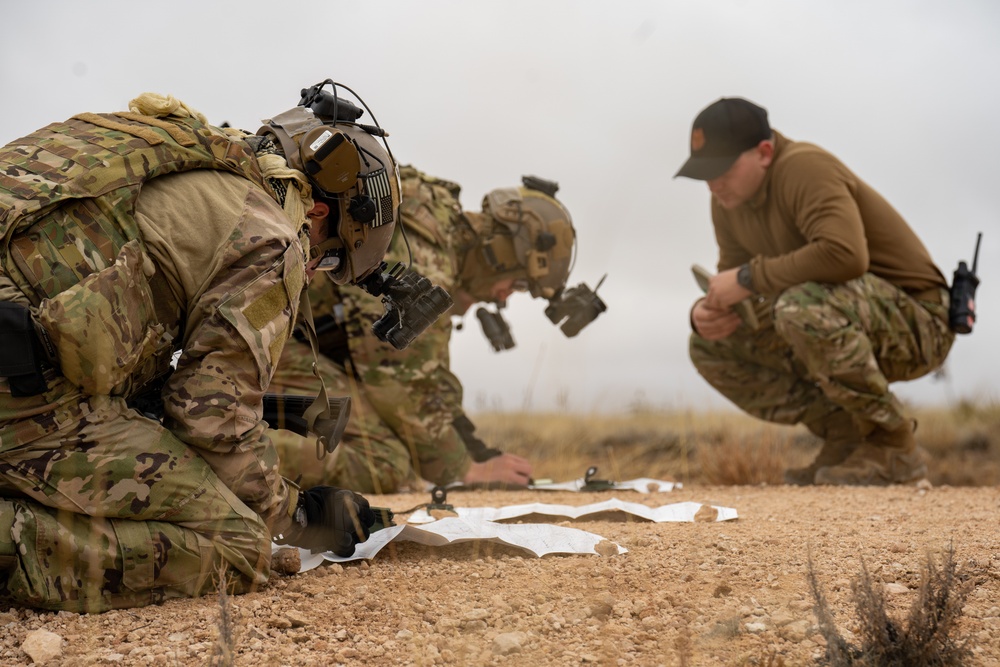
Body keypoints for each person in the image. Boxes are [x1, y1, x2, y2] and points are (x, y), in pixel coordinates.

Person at [0, 80, 399, 612]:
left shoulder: (163, 147)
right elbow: (212, 419)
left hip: (22, 351)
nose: (315, 267)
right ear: (320, 215)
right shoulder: (269, 236)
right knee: (235, 544)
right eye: (327, 259)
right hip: (20, 388)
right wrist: (301, 515)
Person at [269, 166, 601, 493]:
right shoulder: (431, 263)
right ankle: (228, 448)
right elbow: (395, 379)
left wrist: (473, 450)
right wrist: (464, 469)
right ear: (499, 254)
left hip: (281, 333)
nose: (504, 296)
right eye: (516, 283)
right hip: (272, 336)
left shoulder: (436, 230)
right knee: (385, 464)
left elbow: (430, 376)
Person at [675, 97, 954, 486]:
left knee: (799, 308)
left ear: (765, 152)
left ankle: (892, 446)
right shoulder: (727, 203)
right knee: (709, 345)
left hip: (920, 324)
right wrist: (707, 313)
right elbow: (742, 285)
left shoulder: (804, 167)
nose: (713, 183)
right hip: (832, 315)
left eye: (723, 169)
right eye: (704, 173)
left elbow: (845, 255)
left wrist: (744, 280)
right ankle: (846, 435)